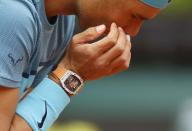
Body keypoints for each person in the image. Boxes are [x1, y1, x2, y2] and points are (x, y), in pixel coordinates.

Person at [0, 0, 171, 130]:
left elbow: (21, 119)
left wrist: (73, 73)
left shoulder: (63, 24)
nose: (133, 31)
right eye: (135, 16)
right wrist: (72, 73)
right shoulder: (14, 15)